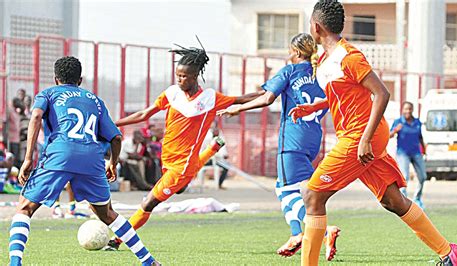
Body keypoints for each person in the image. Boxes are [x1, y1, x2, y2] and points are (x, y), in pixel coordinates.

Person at [289, 1, 457, 265]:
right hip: (359, 135)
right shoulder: (326, 60)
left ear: (316, 27)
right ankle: (447, 251)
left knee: (313, 195)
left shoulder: (349, 56)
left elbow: (381, 92)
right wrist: (317, 105)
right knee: (392, 200)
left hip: (361, 135)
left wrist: (365, 139)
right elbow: (346, 95)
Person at [104, 38, 264, 251]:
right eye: (177, 75)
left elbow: (241, 99)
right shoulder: (171, 93)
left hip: (181, 166)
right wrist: (114, 123)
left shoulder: (209, 98)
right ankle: (208, 154)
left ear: (195, 76)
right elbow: (145, 113)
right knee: (178, 187)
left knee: (147, 203)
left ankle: (117, 241)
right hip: (168, 160)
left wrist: (270, 91)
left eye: (184, 76)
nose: (179, 79)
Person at [8, 56, 160, 266]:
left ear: (55, 78)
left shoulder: (48, 94)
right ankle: (148, 261)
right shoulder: (95, 100)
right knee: (107, 214)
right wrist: (112, 164)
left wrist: (27, 159)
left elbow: (35, 118)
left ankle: (15, 263)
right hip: (92, 159)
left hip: (60, 155)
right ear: (80, 80)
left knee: (25, 208)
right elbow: (116, 138)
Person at [218, 33, 340, 260]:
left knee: (286, 190)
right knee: (286, 188)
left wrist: (236, 108)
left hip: (292, 140)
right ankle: (296, 234)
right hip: (313, 140)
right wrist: (235, 100)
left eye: (289, 51)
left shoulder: (290, 71)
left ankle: (324, 232)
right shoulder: (320, 75)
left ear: (295, 52)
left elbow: (266, 98)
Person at [390, 101, 427, 209]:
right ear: (402, 110)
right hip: (403, 153)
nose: (408, 111)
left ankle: (417, 198)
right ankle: (403, 201)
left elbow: (420, 137)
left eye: (410, 109)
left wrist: (424, 150)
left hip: (416, 152)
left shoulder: (417, 122)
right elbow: (388, 135)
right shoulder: (398, 122)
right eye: (406, 109)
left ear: (412, 110)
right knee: (404, 177)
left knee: (423, 177)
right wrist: (396, 130)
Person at [200, 121, 229, 189]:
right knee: (199, 168)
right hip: (206, 158)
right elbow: (202, 147)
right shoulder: (206, 135)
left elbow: (223, 146)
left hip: (217, 159)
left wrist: (224, 154)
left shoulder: (219, 134)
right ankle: (200, 184)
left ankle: (219, 184)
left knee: (226, 167)